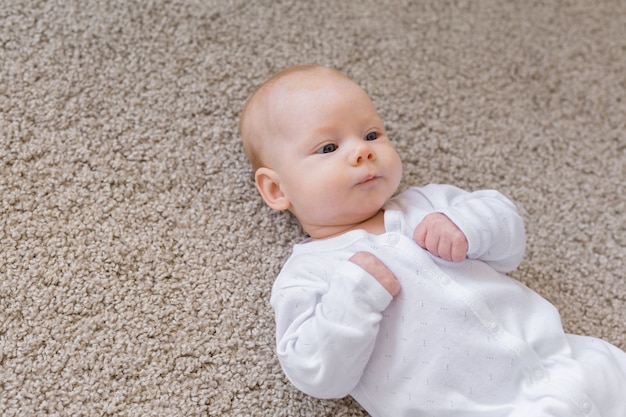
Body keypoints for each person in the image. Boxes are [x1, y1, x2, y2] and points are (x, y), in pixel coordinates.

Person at [239, 64, 626, 417]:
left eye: (372, 133)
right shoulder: (306, 275)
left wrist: (467, 226)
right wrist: (352, 297)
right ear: (276, 189)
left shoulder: (427, 203)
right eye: (328, 147)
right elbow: (317, 375)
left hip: (573, 364)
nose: (362, 151)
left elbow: (509, 240)